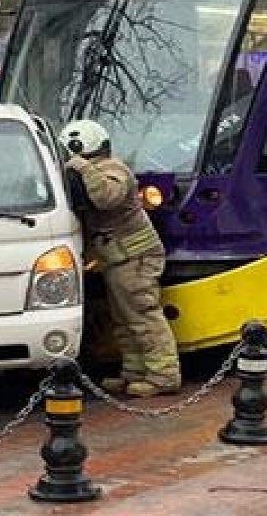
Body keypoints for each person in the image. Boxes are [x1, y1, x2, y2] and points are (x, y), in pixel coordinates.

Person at [59, 119, 181, 398]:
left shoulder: (113, 170)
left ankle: (163, 376)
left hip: (135, 258)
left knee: (142, 315)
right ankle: (135, 373)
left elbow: (106, 198)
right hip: (118, 259)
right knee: (125, 319)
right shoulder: (87, 172)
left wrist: (79, 165)